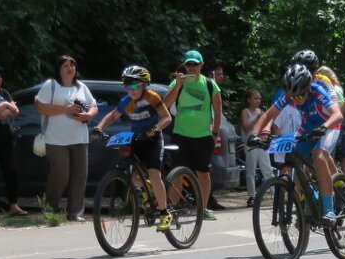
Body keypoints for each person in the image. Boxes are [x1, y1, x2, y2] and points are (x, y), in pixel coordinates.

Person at [250, 64, 344, 225]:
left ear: (307, 88)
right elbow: (268, 115)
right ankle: (310, 197)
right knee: (292, 158)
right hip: (308, 126)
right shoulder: (290, 94)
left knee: (319, 157)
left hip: (328, 125)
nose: (296, 99)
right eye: (293, 97)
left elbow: (338, 114)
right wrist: (254, 134)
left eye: (300, 96)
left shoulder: (317, 91)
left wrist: (324, 127)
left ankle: (329, 209)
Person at [94, 65, 174, 230]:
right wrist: (99, 128)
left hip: (153, 139)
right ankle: (148, 193)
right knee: (135, 177)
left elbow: (167, 118)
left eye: (135, 85)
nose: (131, 90)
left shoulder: (152, 97)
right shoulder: (126, 101)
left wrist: (156, 129)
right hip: (137, 139)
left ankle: (165, 213)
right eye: (127, 86)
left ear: (145, 84)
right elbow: (112, 115)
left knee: (154, 174)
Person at [35, 55, 98, 221]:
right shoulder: (51, 85)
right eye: (65, 65)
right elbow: (39, 107)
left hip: (80, 137)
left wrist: (87, 115)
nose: (70, 68)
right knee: (60, 173)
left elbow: (94, 106)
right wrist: (66, 109)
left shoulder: (81, 87)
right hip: (55, 139)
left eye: (72, 65)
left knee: (79, 176)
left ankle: (75, 213)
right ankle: (51, 207)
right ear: (59, 69)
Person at [163, 50, 222, 220]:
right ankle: (174, 209)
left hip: (204, 136)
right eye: (189, 64)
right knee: (177, 173)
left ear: (201, 65)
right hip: (181, 134)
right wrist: (179, 85)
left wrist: (215, 132)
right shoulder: (177, 82)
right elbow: (165, 104)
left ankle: (203, 208)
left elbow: (218, 110)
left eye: (195, 64)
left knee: (203, 172)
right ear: (184, 66)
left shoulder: (210, 84)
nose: (192, 68)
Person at [0, 64, 26, 217]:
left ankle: (13, 205)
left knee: (11, 171)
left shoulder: (4, 92)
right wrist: (7, 105)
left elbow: (16, 111)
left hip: (6, 138)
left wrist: (6, 110)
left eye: (1, 77)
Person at [240, 89, 275, 207]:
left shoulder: (261, 111)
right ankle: (251, 196)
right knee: (251, 169)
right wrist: (257, 119)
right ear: (249, 100)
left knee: (267, 168)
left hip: (261, 143)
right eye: (255, 98)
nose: (258, 101)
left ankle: (275, 195)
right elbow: (245, 127)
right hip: (250, 144)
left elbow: (265, 126)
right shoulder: (245, 112)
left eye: (259, 98)